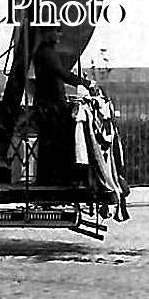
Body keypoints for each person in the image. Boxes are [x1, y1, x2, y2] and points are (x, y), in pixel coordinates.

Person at [32, 27, 97, 185]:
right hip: (51, 106)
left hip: (48, 104)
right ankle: (57, 180)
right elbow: (61, 73)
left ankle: (50, 179)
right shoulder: (46, 53)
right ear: (47, 33)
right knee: (58, 142)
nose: (59, 35)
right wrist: (85, 83)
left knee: (51, 144)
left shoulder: (45, 52)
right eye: (57, 31)